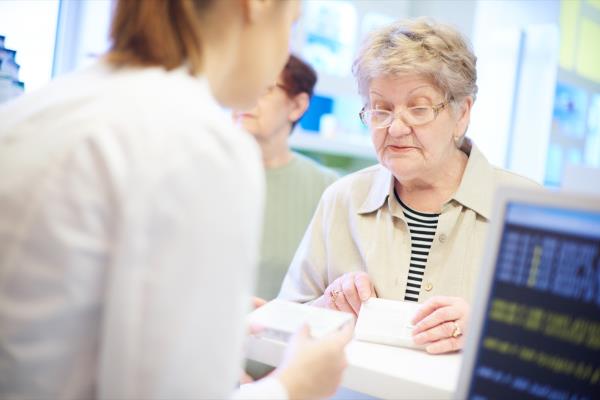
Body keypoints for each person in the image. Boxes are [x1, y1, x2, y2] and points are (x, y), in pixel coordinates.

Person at [0, 1, 351, 399]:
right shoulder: (196, 141)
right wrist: (295, 385)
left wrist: (196, 323)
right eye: (291, 21)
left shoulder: (43, 107)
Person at [278, 18, 539, 354]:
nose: (396, 127)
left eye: (418, 108)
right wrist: (327, 308)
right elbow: (282, 325)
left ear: (462, 113)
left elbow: (566, 352)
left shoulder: (526, 208)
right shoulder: (342, 199)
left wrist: (489, 329)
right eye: (381, 109)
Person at [235, 54, 338, 300]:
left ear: (297, 106)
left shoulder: (327, 189)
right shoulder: (201, 173)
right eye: (239, 85)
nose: (244, 98)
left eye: (263, 88)